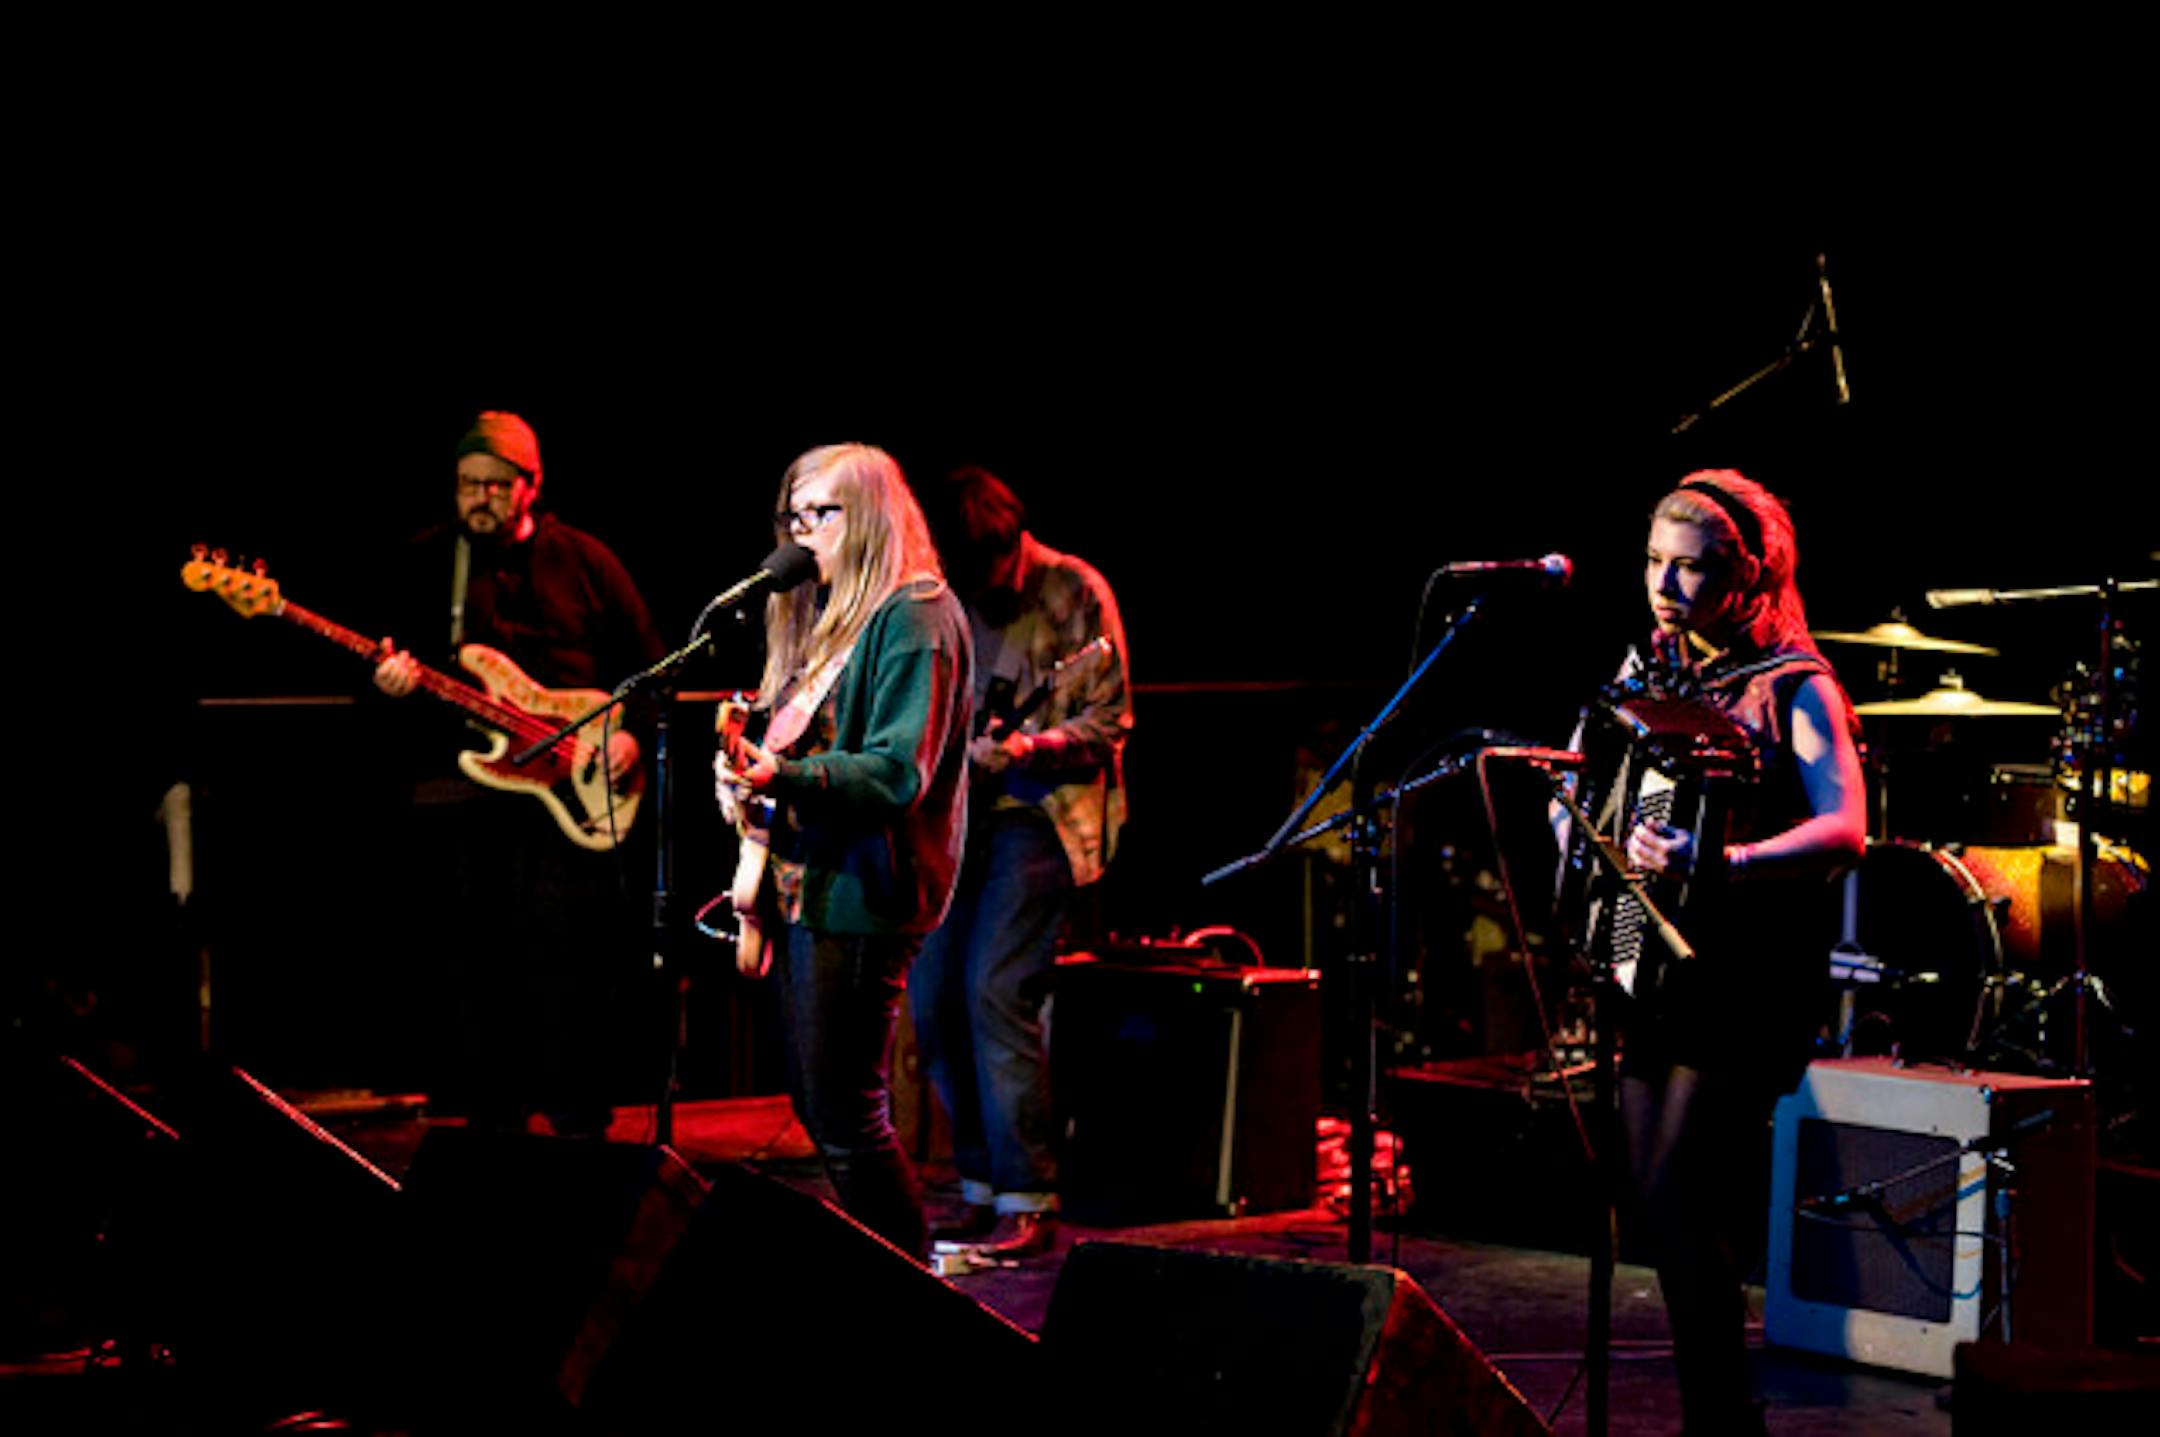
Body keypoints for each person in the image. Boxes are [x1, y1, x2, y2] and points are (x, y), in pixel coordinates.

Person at [1558, 469, 1867, 1436]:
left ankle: (1723, 1423)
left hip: (1746, 980)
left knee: (1682, 1200)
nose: (1665, 586)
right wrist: (1570, 819)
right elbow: (1585, 763)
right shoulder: (1650, 666)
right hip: (1654, 972)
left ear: (1747, 576)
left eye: (1691, 570)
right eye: (1654, 562)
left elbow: (1846, 828)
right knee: (1658, 1206)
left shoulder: (1794, 686)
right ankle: (1721, 1418)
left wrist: (1721, 859)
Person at [373, 410, 664, 1138]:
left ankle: (577, 1130)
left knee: (569, 968)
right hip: (464, 797)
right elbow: (379, 674)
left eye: (495, 486)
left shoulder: (587, 561)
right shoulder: (424, 563)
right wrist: (388, 682)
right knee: (476, 972)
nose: (479, 498)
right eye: (468, 484)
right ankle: (490, 1133)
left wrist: (628, 740)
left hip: (573, 800)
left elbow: (652, 668)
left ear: (530, 487)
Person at [714, 443, 973, 1261]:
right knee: (824, 1107)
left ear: (869, 516)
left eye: (821, 514)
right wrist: (748, 776)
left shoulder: (915, 615)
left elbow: (898, 771)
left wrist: (786, 774)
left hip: (864, 893)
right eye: (793, 514)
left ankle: (909, 1289)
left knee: (847, 1115)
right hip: (804, 888)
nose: (801, 533)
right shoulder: (832, 617)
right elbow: (794, 754)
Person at [905, 465, 1132, 1259]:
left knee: (995, 988)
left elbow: (1111, 718)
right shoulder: (941, 597)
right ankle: (980, 1187)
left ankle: (1029, 1195)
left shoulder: (1074, 590)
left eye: (993, 570)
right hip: (956, 820)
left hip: (1040, 816)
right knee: (931, 999)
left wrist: (1035, 745)